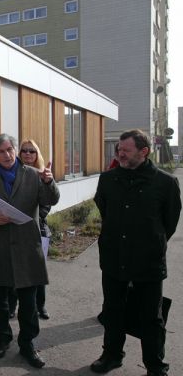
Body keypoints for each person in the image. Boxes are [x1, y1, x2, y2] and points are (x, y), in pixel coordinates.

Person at [90, 129, 181, 376]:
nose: (120, 154)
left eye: (125, 150)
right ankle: (111, 356)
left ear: (143, 152)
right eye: (118, 149)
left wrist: (148, 242)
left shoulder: (165, 183)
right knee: (113, 311)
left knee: (151, 317)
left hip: (148, 262)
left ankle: (155, 366)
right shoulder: (107, 180)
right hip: (113, 258)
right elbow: (105, 211)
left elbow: (168, 224)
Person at [0, 133, 59, 369]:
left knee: (29, 301)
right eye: (1, 151)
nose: (7, 154)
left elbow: (51, 200)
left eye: (10, 149)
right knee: (0, 300)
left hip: (27, 245)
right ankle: (2, 339)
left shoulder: (34, 175)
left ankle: (27, 343)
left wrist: (48, 182)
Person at [18, 139, 51, 320]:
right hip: (15, 229)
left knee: (38, 271)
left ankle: (40, 305)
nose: (28, 154)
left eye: (32, 151)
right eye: (24, 151)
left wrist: (31, 218)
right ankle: (13, 305)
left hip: (38, 229)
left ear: (37, 154)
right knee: (16, 269)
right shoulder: (13, 174)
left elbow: (46, 205)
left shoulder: (43, 174)